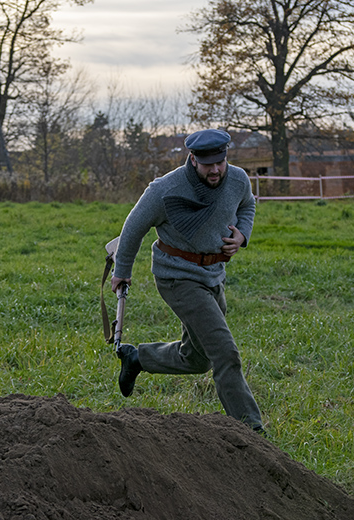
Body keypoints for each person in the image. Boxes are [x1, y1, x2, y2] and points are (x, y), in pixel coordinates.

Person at [111, 129, 265, 434]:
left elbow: (248, 204)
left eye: (220, 162)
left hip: (213, 274)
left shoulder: (237, 179)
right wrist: (122, 270)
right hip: (177, 278)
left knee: (197, 359)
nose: (216, 170)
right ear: (193, 159)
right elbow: (133, 228)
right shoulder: (165, 190)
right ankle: (251, 431)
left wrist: (242, 234)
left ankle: (137, 357)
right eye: (208, 164)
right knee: (224, 353)